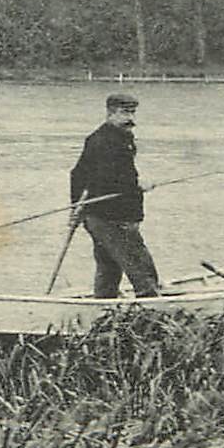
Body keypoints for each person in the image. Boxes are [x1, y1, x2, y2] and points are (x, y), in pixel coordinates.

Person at [69, 91, 159, 298]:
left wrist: (78, 209)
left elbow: (79, 175)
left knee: (109, 268)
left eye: (133, 113)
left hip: (106, 216)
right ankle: (154, 312)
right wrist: (138, 185)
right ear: (111, 113)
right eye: (125, 113)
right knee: (141, 268)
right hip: (111, 218)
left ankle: (103, 307)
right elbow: (99, 177)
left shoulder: (121, 137)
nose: (131, 118)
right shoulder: (102, 140)